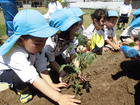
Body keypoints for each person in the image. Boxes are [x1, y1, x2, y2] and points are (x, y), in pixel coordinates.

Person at [0, 9, 81, 105]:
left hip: (27, 65)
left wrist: (50, 84)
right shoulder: (15, 54)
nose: (42, 45)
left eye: (44, 41)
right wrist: (59, 98)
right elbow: (33, 77)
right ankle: (22, 89)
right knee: (20, 78)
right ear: (21, 40)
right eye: (38, 43)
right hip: (5, 72)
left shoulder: (37, 47)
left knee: (36, 72)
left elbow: (42, 66)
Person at [44, 9, 81, 82]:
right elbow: (52, 61)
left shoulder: (69, 39)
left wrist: (78, 69)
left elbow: (73, 55)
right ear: (65, 30)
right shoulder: (50, 43)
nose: (78, 29)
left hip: (56, 55)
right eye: (75, 27)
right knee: (49, 71)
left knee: (64, 65)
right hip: (45, 56)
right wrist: (61, 72)